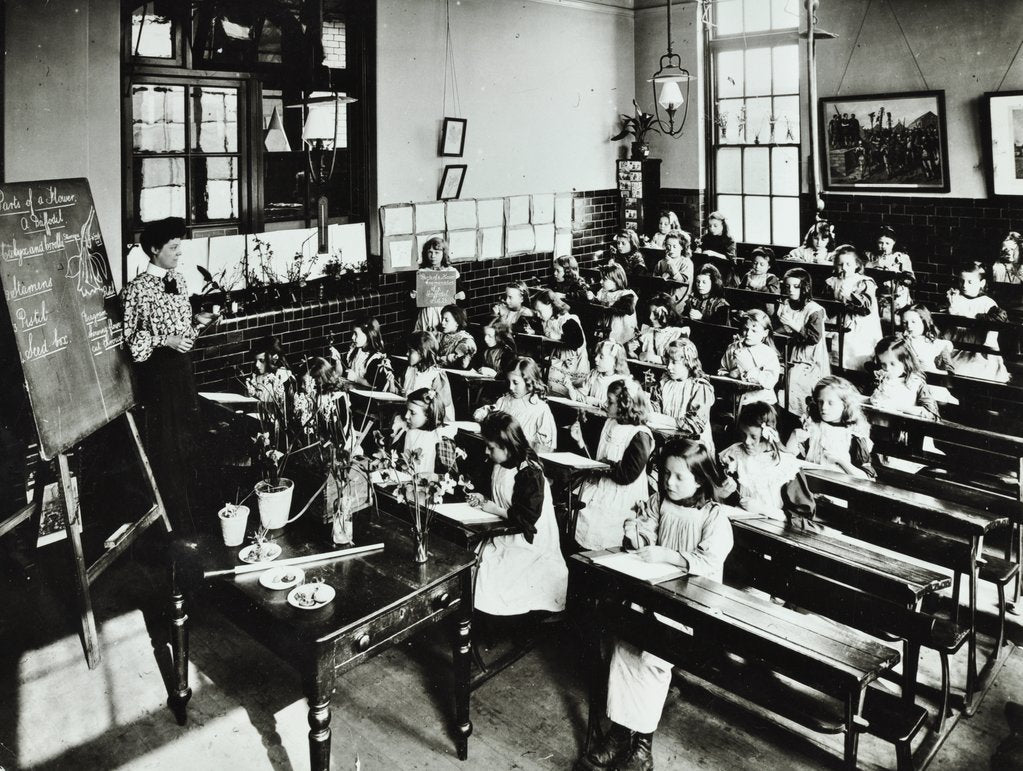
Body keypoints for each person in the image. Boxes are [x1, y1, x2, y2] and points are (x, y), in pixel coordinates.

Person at [575, 438, 734, 771]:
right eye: (665, 474)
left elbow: (708, 561)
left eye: (678, 477)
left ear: (701, 479)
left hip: (686, 607)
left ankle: (643, 744)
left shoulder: (713, 516)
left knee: (650, 659)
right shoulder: (659, 500)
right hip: (650, 596)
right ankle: (620, 734)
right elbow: (641, 524)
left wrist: (669, 555)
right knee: (623, 647)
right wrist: (637, 535)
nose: (668, 482)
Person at [123, 217, 216, 534]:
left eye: (180, 246)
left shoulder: (180, 280)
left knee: (190, 441)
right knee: (167, 447)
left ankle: (196, 519)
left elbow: (184, 333)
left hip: (182, 373)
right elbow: (132, 343)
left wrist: (199, 323)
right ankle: (175, 524)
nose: (179, 253)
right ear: (153, 249)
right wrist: (166, 340)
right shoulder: (136, 290)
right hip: (158, 377)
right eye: (173, 247)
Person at [467, 411, 568, 615]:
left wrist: (494, 509)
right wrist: (483, 496)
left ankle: (482, 618)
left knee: (486, 568)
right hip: (505, 532)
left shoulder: (529, 473)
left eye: (491, 447)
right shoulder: (500, 463)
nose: (486, 451)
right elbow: (499, 493)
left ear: (507, 447)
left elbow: (527, 518)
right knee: (471, 558)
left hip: (528, 542)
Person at [574, 380, 654, 550]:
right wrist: (581, 441)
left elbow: (628, 474)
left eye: (610, 402)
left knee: (609, 537)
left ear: (625, 405)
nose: (605, 404)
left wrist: (604, 465)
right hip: (602, 489)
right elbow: (597, 456)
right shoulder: (610, 422)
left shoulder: (640, 435)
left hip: (623, 498)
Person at [719, 402, 816, 523]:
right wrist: (723, 492)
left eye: (753, 437)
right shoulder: (734, 455)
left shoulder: (785, 466)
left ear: (768, 435)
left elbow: (802, 518)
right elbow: (725, 498)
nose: (747, 442)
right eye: (743, 435)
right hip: (740, 523)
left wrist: (764, 509)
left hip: (776, 529)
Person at [786, 375, 874, 478]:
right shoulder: (812, 428)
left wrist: (841, 462)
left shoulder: (853, 435)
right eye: (820, 402)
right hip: (809, 484)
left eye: (831, 403)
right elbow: (789, 461)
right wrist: (793, 437)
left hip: (841, 487)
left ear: (845, 405)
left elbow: (867, 478)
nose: (824, 408)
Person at [775, 268, 829, 417]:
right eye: (787, 286)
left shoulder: (814, 310)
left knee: (792, 384)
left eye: (796, 286)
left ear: (804, 287)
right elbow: (779, 329)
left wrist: (795, 326)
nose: (790, 290)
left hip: (809, 360)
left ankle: (797, 418)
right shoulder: (785, 304)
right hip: (788, 353)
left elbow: (814, 338)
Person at [474, 357, 557, 453]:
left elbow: (547, 447)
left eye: (515, 383)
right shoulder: (503, 401)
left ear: (529, 382)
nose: (510, 387)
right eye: (509, 382)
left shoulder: (541, 409)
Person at [649, 338, 716, 456]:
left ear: (688, 363)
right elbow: (655, 410)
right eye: (667, 362)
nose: (669, 367)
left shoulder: (699, 387)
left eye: (674, 362)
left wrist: (668, 421)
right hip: (667, 440)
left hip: (692, 446)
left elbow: (695, 424)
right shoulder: (664, 383)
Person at [946, 261, 1010, 383]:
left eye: (970, 282)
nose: (964, 285)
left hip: (980, 349)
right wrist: (950, 308)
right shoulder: (956, 299)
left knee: (974, 371)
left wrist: (972, 316)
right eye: (961, 281)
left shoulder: (986, 302)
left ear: (982, 283)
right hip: (957, 343)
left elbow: (1000, 319)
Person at [826, 244, 882, 371]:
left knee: (856, 355)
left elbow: (867, 306)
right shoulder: (831, 281)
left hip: (859, 324)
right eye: (840, 264)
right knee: (836, 355)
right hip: (838, 321)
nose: (844, 268)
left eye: (848, 264)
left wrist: (850, 297)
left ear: (857, 265)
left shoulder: (864, 282)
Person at [718, 309, 782, 408]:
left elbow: (769, 382)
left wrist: (749, 368)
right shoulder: (733, 348)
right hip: (735, 401)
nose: (748, 334)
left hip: (761, 404)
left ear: (765, 333)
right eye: (745, 329)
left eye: (754, 330)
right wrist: (730, 374)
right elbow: (721, 370)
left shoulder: (768, 353)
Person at [392, 387, 459, 476]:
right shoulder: (410, 433)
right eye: (407, 410)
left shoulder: (441, 439)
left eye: (412, 412)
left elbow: (448, 475)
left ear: (429, 415)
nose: (406, 416)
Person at [533, 289, 589, 396]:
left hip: (574, 369)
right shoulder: (548, 320)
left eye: (540, 311)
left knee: (546, 381)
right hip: (559, 363)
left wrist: (559, 337)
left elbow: (577, 341)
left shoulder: (567, 321)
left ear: (551, 305)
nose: (538, 315)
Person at [868, 336, 939, 419]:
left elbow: (931, 413)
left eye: (892, 364)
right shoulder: (882, 379)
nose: (887, 369)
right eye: (883, 364)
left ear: (905, 362)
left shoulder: (916, 383)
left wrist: (895, 405)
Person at [412, 236, 465, 333]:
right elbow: (415, 300)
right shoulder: (422, 273)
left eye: (437, 253)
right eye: (430, 252)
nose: (433, 256)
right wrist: (413, 295)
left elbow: (463, 294)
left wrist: (461, 295)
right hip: (427, 313)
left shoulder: (451, 272)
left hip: (445, 313)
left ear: (443, 254)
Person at [402, 331, 455, 423]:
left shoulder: (436, 374)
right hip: (411, 416)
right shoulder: (410, 370)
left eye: (410, 351)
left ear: (422, 353)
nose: (406, 354)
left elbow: (442, 406)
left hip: (431, 421)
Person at [338, 318, 397, 393]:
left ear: (368, 335)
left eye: (356, 334)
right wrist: (337, 360)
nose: (352, 337)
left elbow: (375, 386)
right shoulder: (355, 351)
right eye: (353, 333)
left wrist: (356, 378)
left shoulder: (376, 358)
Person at [568, 340, 632, 407]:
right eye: (596, 355)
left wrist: (591, 400)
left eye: (601, 357)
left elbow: (613, 405)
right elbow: (583, 391)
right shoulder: (594, 373)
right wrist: (574, 392)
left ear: (614, 361)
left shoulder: (620, 381)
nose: (596, 358)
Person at [589, 263, 638, 346]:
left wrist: (605, 306)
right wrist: (593, 299)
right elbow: (599, 306)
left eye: (604, 279)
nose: (601, 281)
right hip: (606, 326)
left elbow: (628, 310)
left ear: (616, 280)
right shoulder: (603, 292)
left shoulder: (626, 294)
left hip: (621, 328)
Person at [627, 293, 683, 364]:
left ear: (668, 314)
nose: (650, 317)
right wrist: (630, 351)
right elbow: (639, 358)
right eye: (650, 313)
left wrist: (651, 357)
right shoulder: (647, 333)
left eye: (655, 314)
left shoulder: (678, 334)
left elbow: (679, 361)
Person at [899, 304, 955, 374]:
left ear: (924, 322)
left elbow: (950, 373)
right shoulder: (900, 343)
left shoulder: (939, 345)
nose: (909, 326)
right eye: (905, 323)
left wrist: (932, 371)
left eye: (913, 322)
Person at [653, 231, 694, 315]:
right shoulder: (661, 263)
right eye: (668, 246)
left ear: (682, 247)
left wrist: (672, 267)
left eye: (675, 246)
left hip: (680, 301)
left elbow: (683, 282)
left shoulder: (686, 262)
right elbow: (654, 281)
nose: (671, 249)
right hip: (662, 299)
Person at [437, 304, 478, 369]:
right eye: (442, 319)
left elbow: (462, 364)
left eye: (446, 320)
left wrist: (440, 359)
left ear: (457, 322)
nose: (442, 322)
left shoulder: (466, 340)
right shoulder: (442, 336)